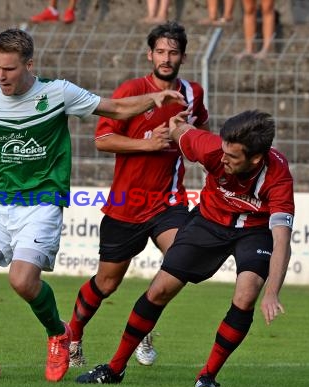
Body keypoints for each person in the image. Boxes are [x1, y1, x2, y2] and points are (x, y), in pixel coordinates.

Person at [0, 28, 185, 382]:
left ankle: (59, 333)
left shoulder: (57, 93)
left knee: (22, 281)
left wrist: (154, 99)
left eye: (9, 69)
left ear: (29, 64)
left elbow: (116, 108)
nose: (1, 76)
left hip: (41, 203)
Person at [76, 109, 295, 387]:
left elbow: (281, 241)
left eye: (233, 157)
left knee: (247, 293)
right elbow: (180, 132)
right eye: (224, 151)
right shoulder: (212, 148)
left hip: (255, 231)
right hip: (209, 221)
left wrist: (273, 292)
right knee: (159, 290)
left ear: (255, 159)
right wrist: (176, 124)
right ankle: (115, 368)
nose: (223, 159)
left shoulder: (278, 178)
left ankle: (207, 376)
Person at [67, 21, 209, 369]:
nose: (166, 57)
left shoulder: (193, 93)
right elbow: (102, 140)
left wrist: (186, 137)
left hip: (168, 202)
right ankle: (72, 335)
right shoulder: (131, 90)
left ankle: (144, 323)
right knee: (106, 283)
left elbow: (200, 129)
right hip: (126, 204)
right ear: (150, 55)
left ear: (183, 57)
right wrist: (148, 143)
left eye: (173, 52)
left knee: (180, 260)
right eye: (160, 51)